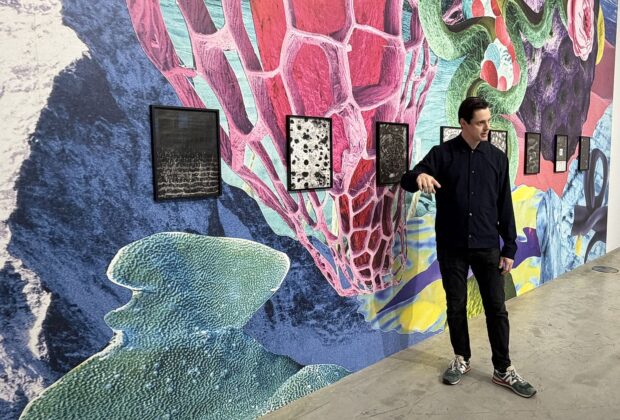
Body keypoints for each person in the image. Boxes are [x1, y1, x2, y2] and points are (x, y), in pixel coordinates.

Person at [400, 97, 536, 398]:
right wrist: (420, 175)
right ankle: (461, 358)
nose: (487, 127)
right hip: (452, 247)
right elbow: (406, 180)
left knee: (497, 309)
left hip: (487, 247)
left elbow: (504, 205)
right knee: (456, 305)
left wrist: (509, 247)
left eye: (488, 120)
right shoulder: (442, 155)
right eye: (480, 122)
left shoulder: (497, 159)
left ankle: (503, 368)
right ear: (464, 123)